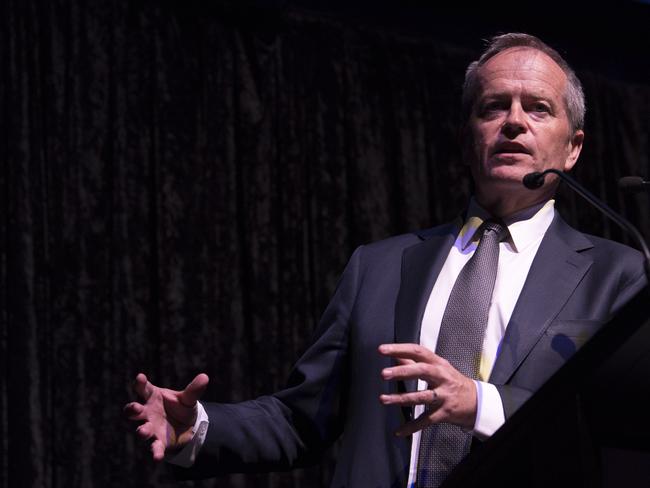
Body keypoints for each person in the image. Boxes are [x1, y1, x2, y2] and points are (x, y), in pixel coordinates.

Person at [124, 33, 647, 487]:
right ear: (468, 139)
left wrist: (483, 404)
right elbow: (302, 418)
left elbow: (618, 428)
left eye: (537, 107)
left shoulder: (619, 274)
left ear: (573, 147)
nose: (513, 122)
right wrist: (200, 427)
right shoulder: (377, 266)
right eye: (493, 107)